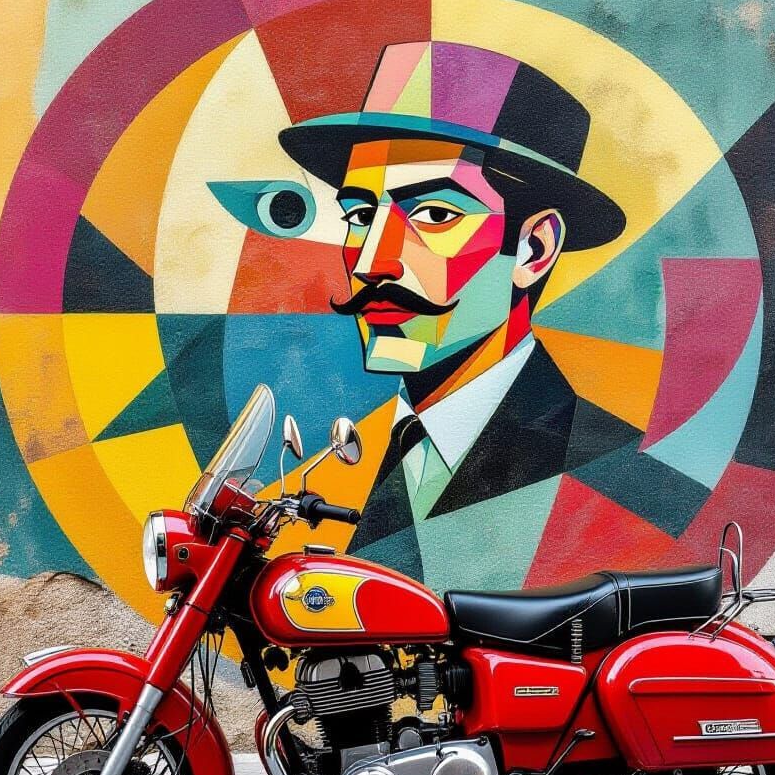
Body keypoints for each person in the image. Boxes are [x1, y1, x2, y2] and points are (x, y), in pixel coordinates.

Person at [277, 41, 708, 577]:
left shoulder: (619, 481)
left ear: (534, 250)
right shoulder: (397, 445)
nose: (372, 262)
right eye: (361, 215)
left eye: (434, 214)